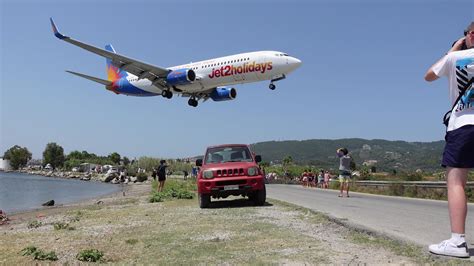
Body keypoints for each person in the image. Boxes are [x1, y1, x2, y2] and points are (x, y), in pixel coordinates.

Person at [424, 22, 474, 258]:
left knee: (456, 182)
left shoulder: (456, 57)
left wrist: (453, 49)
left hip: (463, 125)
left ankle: (457, 242)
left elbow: (429, 76)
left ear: (470, 35)